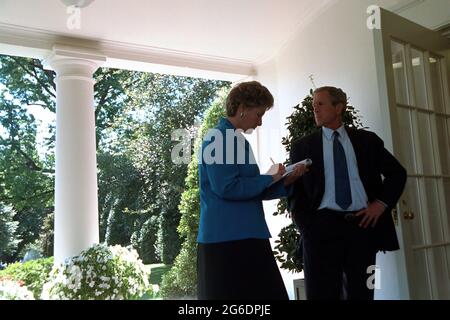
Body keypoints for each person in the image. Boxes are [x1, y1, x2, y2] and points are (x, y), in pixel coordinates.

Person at [288, 86, 407, 300]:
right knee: (321, 294)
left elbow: (398, 173)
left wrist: (380, 204)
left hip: (363, 228)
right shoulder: (302, 146)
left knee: (364, 292)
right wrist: (306, 225)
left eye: (320, 104)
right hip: (319, 229)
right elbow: (294, 191)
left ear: (338, 107)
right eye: (313, 105)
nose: (315, 109)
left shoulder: (368, 141)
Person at [197, 81, 307, 300]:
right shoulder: (219, 138)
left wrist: (283, 180)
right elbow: (227, 187)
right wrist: (269, 177)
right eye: (259, 114)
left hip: (245, 236)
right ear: (242, 108)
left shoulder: (235, 139)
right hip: (227, 241)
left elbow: (248, 189)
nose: (260, 122)